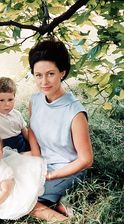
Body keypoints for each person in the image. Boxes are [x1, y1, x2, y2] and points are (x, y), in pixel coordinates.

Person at [28, 38, 93, 221]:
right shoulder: (35, 100)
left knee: (24, 200)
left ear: (62, 73)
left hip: (68, 168)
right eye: (38, 75)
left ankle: (61, 219)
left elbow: (86, 159)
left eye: (50, 74)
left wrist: (53, 175)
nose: (44, 82)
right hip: (44, 164)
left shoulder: (75, 112)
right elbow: (31, 129)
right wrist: (35, 159)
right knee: (6, 183)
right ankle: (62, 204)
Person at [0, 77, 29, 153]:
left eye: (10, 100)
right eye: (1, 100)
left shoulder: (17, 114)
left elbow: (24, 131)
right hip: (3, 147)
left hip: (20, 144)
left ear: (14, 98)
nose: (7, 104)